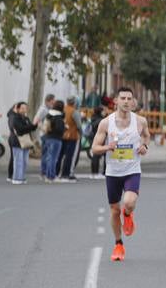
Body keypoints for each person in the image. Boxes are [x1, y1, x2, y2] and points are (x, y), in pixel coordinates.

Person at [90, 87, 151, 261]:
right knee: (115, 210)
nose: (126, 101)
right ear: (116, 101)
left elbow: (146, 136)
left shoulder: (140, 121)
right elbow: (94, 148)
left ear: (133, 102)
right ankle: (118, 244)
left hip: (132, 170)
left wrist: (145, 146)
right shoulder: (106, 123)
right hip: (113, 172)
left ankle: (128, 214)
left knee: (129, 202)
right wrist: (107, 147)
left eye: (129, 98)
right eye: (122, 98)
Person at [6, 101, 36, 184]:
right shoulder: (14, 117)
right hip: (16, 141)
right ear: (18, 109)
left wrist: (35, 124)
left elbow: (30, 128)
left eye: (25, 108)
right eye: (22, 108)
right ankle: (16, 178)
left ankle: (21, 177)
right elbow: (20, 130)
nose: (24, 110)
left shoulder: (25, 118)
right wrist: (30, 126)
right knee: (18, 161)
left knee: (24, 161)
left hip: (26, 142)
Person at [40, 97, 64, 182]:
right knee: (53, 158)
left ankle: (46, 174)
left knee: (48, 157)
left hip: (47, 137)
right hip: (56, 138)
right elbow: (59, 129)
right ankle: (51, 176)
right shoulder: (58, 117)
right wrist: (65, 127)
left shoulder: (49, 115)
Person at [57, 97, 80, 182]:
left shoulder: (63, 109)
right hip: (72, 136)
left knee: (60, 155)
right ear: (74, 103)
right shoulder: (74, 111)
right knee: (70, 156)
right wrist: (81, 133)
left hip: (62, 134)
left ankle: (57, 172)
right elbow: (79, 125)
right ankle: (67, 173)